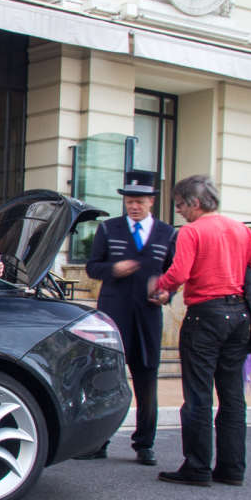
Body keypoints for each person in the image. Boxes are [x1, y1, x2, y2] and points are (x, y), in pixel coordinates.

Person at [148, 175, 251, 487]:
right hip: (239, 316)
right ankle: (231, 468)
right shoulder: (241, 229)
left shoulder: (191, 231)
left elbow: (180, 272)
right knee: (232, 395)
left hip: (205, 316)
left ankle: (197, 467)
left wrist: (159, 285)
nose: (179, 212)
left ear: (195, 203)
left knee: (198, 394)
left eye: (179, 206)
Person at [79, 170, 175, 464]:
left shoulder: (168, 233)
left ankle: (144, 444)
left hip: (147, 318)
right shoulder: (109, 229)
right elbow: (92, 267)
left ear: (151, 202)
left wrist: (167, 294)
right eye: (130, 201)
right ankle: (99, 441)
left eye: (140, 201)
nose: (134, 206)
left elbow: (173, 275)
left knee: (147, 382)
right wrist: (113, 270)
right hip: (114, 317)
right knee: (106, 378)